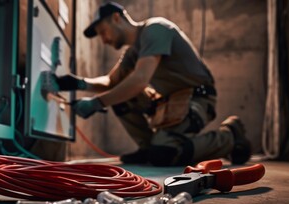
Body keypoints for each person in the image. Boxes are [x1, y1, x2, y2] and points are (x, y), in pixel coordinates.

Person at [55, 2, 251, 166]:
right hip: (168, 102)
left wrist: (96, 103)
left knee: (166, 153)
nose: (104, 40)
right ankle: (147, 147)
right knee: (121, 98)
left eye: (103, 32)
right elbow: (111, 82)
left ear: (116, 18)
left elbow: (140, 80)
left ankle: (229, 136)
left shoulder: (155, 29)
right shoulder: (133, 51)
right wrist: (78, 83)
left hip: (198, 98)